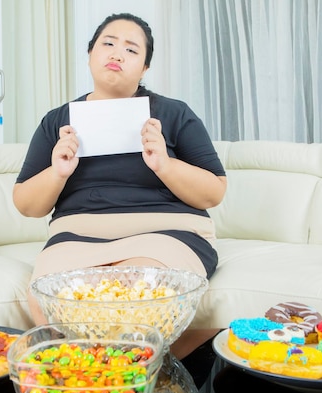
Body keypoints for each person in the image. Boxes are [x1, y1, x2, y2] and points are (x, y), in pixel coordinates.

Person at [13, 12, 227, 360]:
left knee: (138, 293)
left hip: (166, 233)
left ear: (144, 68)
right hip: (76, 237)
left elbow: (214, 191)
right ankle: (107, 377)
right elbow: (27, 205)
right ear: (90, 55)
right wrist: (57, 172)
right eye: (108, 44)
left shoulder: (173, 114)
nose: (116, 54)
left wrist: (164, 164)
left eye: (131, 49)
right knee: (46, 294)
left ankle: (118, 381)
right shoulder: (58, 120)